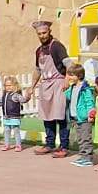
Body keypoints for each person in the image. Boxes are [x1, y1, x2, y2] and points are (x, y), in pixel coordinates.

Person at [33, 20, 71, 156]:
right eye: (39, 34)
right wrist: (31, 87)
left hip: (58, 83)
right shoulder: (38, 51)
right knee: (47, 116)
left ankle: (64, 147)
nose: (42, 36)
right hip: (45, 85)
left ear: (49, 32)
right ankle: (49, 144)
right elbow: (38, 70)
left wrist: (67, 78)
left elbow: (69, 64)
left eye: (44, 33)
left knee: (61, 116)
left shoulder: (57, 46)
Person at [65, 64, 97, 168]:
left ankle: (88, 158)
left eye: (71, 75)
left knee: (85, 138)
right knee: (80, 138)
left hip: (84, 118)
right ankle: (83, 156)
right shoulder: (73, 87)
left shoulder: (85, 89)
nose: (69, 77)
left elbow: (89, 102)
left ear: (79, 76)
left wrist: (90, 114)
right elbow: (66, 95)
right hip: (76, 118)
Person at [0, 76, 26, 152]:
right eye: (6, 85)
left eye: (10, 85)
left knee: (16, 131)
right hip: (6, 117)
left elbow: (23, 100)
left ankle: (18, 145)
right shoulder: (4, 95)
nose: (8, 87)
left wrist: (28, 96)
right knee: (6, 131)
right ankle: (7, 144)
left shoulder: (16, 95)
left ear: (15, 85)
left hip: (14, 117)